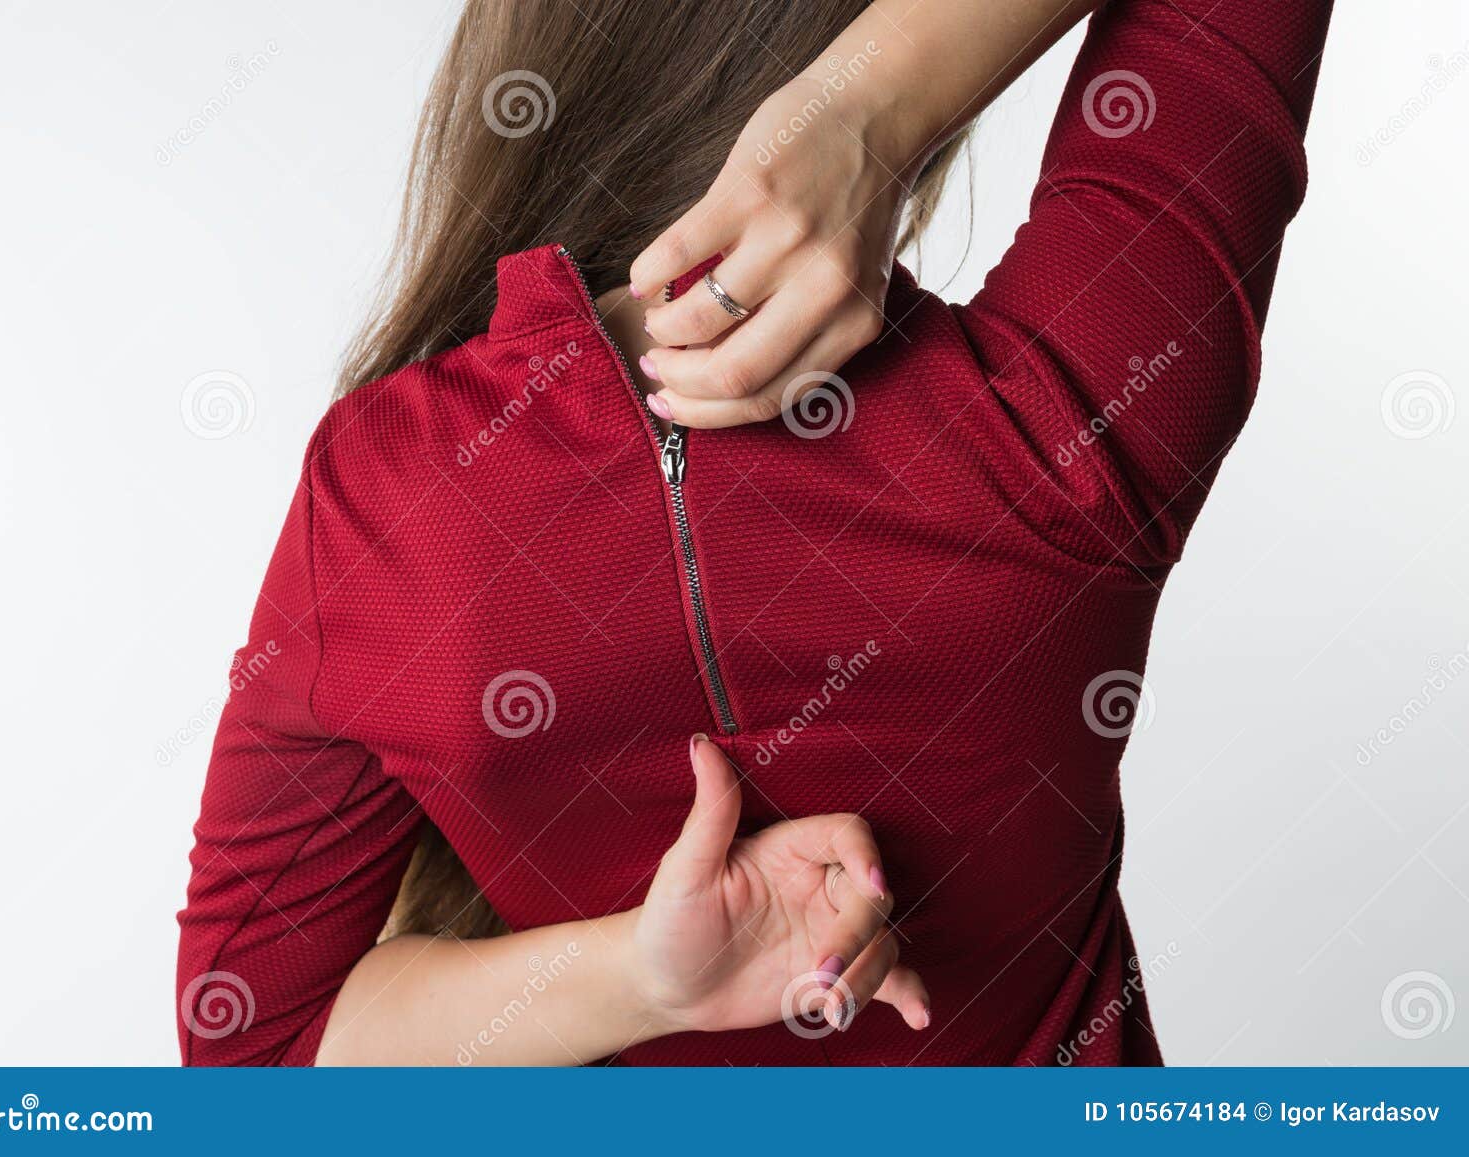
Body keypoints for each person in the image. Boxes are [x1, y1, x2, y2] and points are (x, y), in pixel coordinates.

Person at [177, 0, 1333, 1065]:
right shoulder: (1066, 426)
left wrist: (645, 978)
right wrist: (875, 112)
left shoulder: (391, 498)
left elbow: (254, 1052)